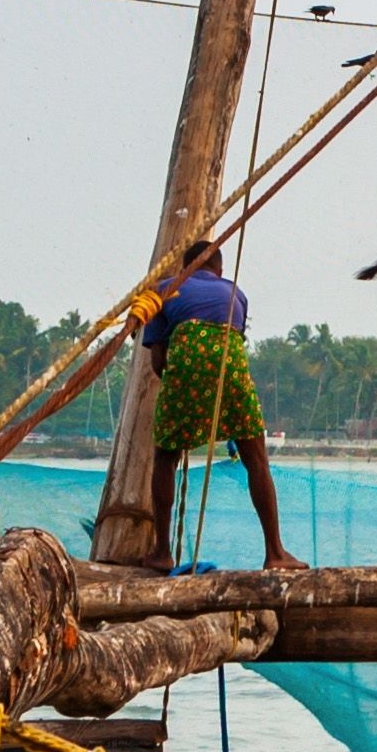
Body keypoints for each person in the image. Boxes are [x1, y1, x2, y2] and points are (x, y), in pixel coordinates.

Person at [136, 240, 299, 573]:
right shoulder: (236, 292)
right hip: (231, 366)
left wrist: (179, 388)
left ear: (185, 268)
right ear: (220, 271)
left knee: (165, 457)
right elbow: (229, 339)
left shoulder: (163, 291)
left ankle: (161, 552)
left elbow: (159, 360)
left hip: (186, 364)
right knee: (256, 460)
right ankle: (276, 553)